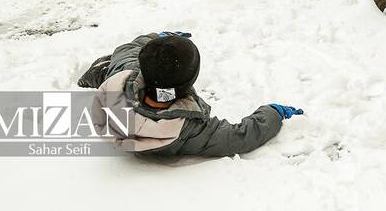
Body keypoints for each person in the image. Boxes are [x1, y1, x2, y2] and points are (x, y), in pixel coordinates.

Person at [79, 31, 303, 157]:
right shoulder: (188, 130)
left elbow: (127, 49)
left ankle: (96, 74)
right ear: (188, 82)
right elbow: (240, 137)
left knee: (111, 69)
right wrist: (272, 113)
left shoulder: (125, 74)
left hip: (117, 108)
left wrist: (158, 40)